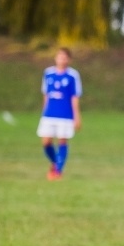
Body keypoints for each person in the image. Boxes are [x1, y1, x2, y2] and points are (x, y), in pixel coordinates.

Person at [38, 47, 82, 180]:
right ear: (55, 58)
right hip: (50, 113)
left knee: (62, 140)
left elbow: (74, 97)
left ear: (69, 60)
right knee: (46, 142)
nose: (62, 59)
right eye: (59, 56)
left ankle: (57, 171)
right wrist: (44, 111)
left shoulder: (73, 75)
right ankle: (55, 162)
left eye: (64, 57)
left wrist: (77, 116)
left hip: (65, 114)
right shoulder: (48, 73)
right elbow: (46, 94)